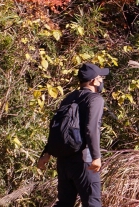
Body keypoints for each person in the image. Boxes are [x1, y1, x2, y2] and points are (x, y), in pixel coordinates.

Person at [36, 63, 110, 207]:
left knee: (64, 203)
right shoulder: (95, 99)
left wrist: (46, 153)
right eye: (100, 78)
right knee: (92, 203)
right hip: (84, 160)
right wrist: (96, 157)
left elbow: (56, 127)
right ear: (94, 81)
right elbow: (91, 128)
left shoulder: (69, 98)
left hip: (63, 162)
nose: (101, 81)